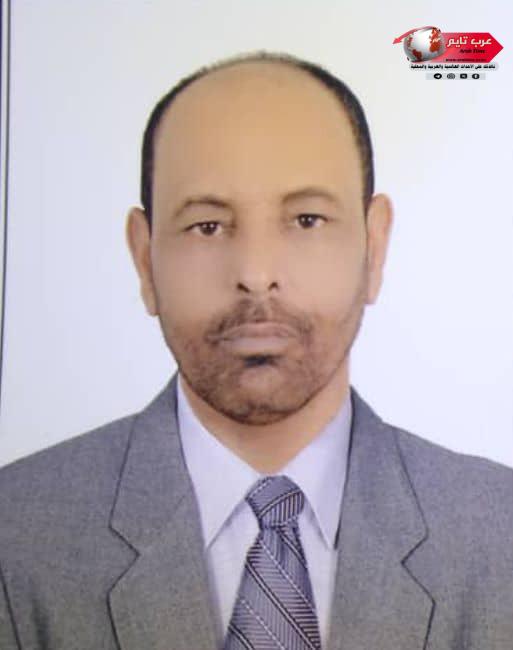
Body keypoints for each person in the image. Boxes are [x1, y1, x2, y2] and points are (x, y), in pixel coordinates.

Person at [0, 51, 512, 650]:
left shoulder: (499, 534)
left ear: (374, 248)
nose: (255, 272)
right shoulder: (15, 534)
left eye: (307, 219)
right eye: (208, 225)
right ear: (144, 259)